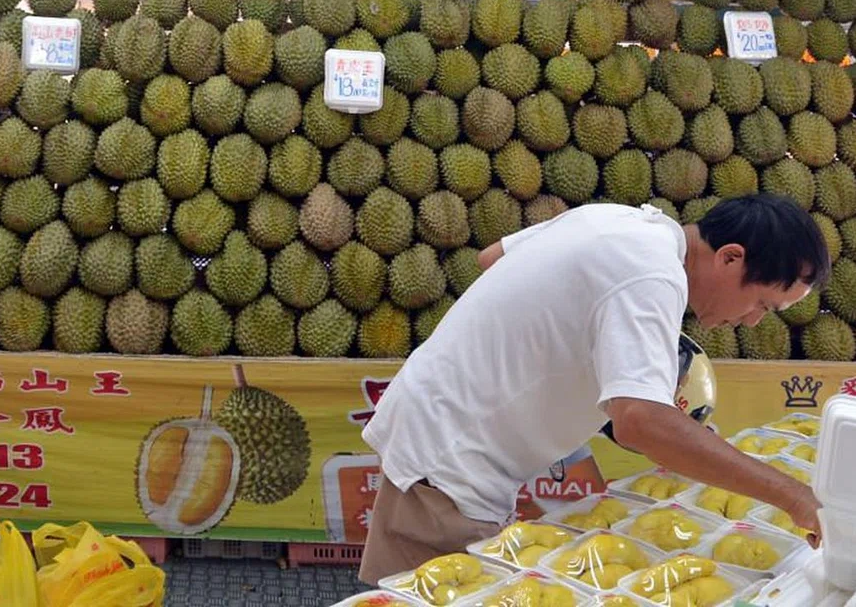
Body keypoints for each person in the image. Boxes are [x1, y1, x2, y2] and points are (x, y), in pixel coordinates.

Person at [356, 194, 831, 586]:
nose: (751, 321)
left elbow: (493, 259)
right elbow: (642, 423)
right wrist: (792, 496)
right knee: (429, 592)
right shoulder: (653, 274)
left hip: (442, 438)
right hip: (450, 462)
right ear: (730, 258)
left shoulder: (618, 220)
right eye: (763, 305)